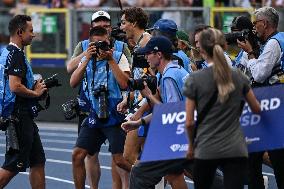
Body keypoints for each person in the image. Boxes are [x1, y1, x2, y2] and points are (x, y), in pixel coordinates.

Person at [184, 28, 261, 189]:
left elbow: (190, 122)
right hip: (235, 147)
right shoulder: (238, 76)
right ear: (225, 46)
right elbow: (256, 109)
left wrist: (191, 145)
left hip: (206, 147)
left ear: (201, 49)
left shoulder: (194, 79)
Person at [66, 10, 131, 189]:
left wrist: (110, 60)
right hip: (94, 113)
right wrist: (86, 58)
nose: (100, 47)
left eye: (104, 43)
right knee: (77, 155)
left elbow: (125, 84)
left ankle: (145, 174)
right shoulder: (86, 56)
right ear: (90, 44)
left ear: (109, 40)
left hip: (114, 114)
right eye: (96, 44)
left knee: (119, 159)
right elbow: (72, 82)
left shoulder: (119, 55)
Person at [121, 36, 190, 189]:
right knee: (177, 173)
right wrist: (139, 122)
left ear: (159, 55)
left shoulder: (169, 77)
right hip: (189, 132)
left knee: (140, 173)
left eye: (148, 53)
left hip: (181, 135)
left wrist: (150, 96)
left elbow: (172, 113)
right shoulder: (177, 70)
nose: (146, 57)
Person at [237, 6, 284, 189]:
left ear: (265, 23)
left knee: (275, 158)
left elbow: (259, 75)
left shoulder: (273, 44)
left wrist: (250, 53)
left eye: (256, 23)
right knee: (254, 155)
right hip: (272, 103)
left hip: (273, 105)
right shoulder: (279, 39)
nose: (254, 28)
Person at [0, 14, 47, 189]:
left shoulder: (6, 52)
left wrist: (34, 85)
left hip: (19, 114)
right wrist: (35, 93)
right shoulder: (17, 55)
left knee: (37, 161)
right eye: (31, 31)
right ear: (20, 32)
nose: (33, 34)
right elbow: (15, 86)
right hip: (19, 115)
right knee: (14, 165)